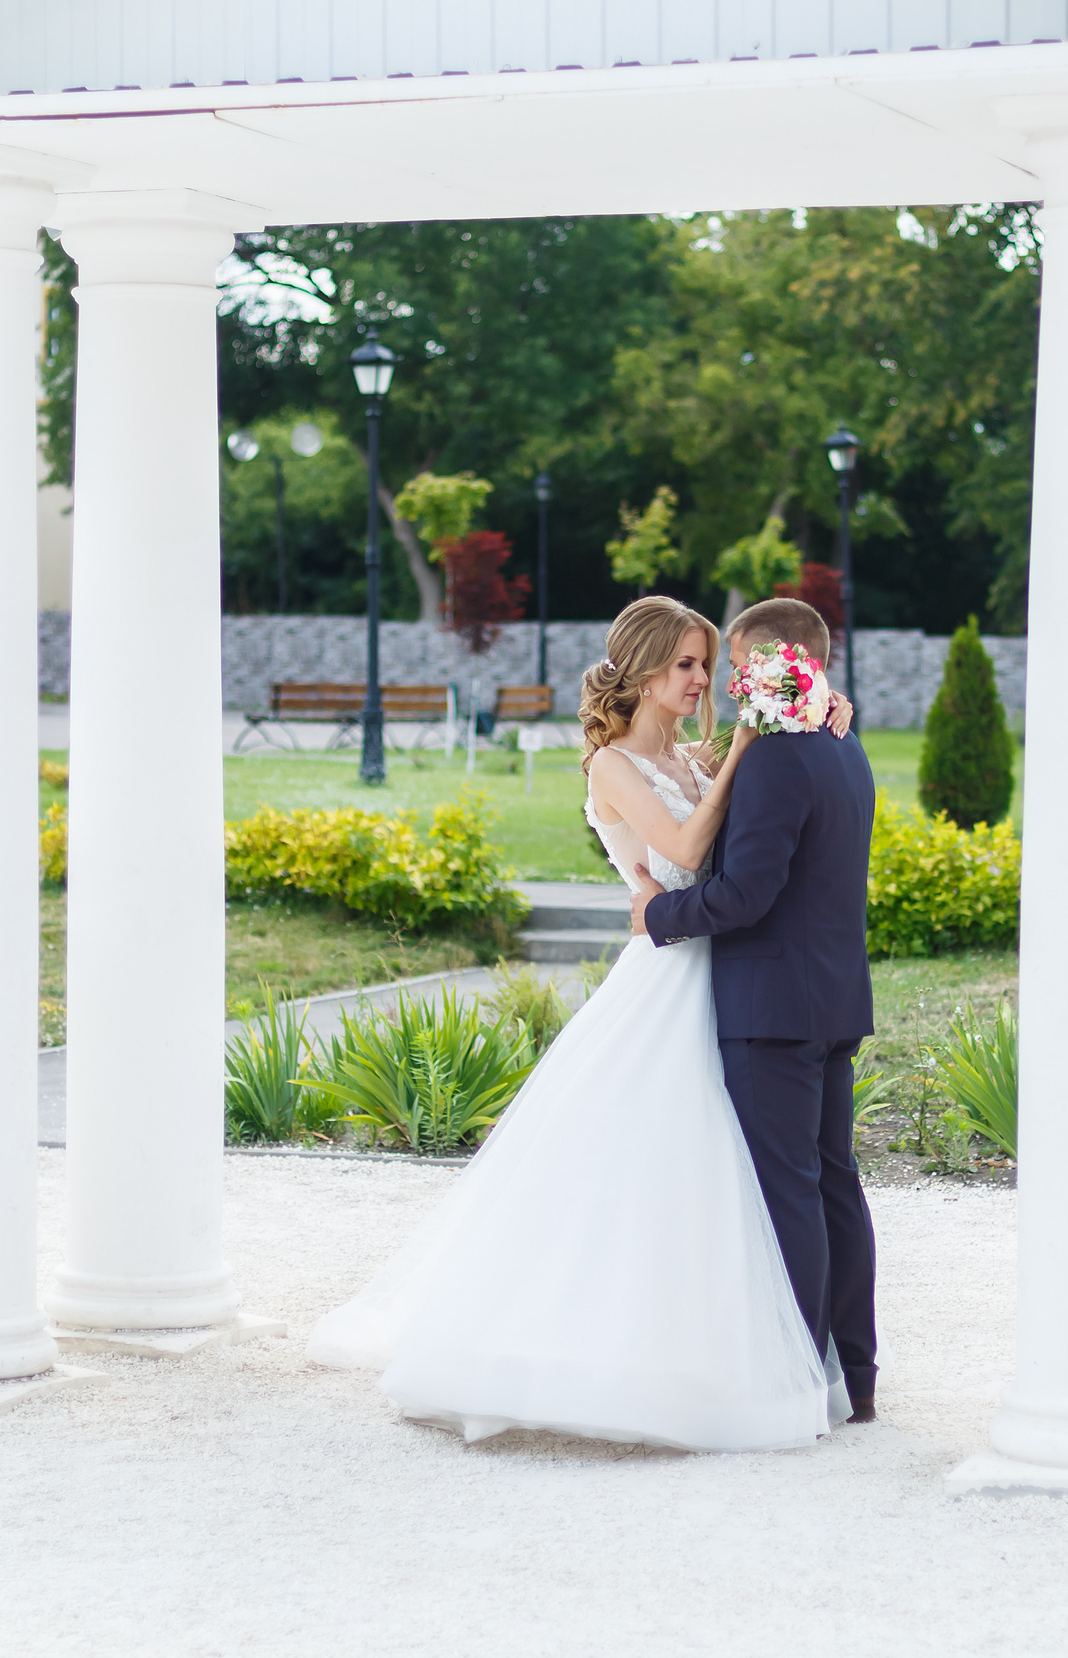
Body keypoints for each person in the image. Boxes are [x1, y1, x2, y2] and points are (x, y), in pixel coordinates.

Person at [310, 594, 864, 1451]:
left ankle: (753, 1350)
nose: (701, 679)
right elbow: (682, 853)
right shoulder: (612, 765)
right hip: (669, 973)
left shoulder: (692, 756)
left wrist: (818, 710)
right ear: (642, 669)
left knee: (725, 1183)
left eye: (706, 665)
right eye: (684, 664)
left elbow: (759, 798)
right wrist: (746, 747)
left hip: (725, 974)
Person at [636, 596, 881, 1426]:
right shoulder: (845, 742)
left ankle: (795, 1383)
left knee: (790, 1193)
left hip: (772, 1004)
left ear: (782, 660)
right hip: (834, 995)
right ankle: (857, 1372)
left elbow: (744, 895)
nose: (733, 682)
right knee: (835, 1187)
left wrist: (656, 917)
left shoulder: (782, 755)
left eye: (740, 663)